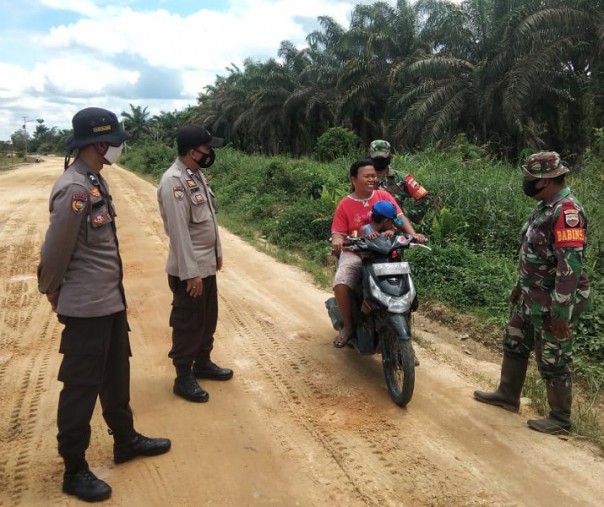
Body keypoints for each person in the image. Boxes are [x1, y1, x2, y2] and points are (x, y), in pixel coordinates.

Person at [37, 107, 171, 503]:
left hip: (109, 302)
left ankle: (125, 440)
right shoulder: (76, 189)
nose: (120, 147)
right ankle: (74, 468)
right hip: (85, 308)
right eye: (116, 141)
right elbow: (55, 250)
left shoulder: (95, 180)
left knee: (116, 375)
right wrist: (51, 290)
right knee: (81, 387)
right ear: (99, 143)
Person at [473, 151, 592, 435]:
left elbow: (569, 266)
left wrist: (561, 312)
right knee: (514, 341)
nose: (525, 183)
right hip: (530, 295)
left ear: (544, 181)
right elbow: (533, 253)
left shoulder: (567, 212)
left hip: (553, 301)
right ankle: (507, 394)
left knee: (553, 356)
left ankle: (560, 419)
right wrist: (519, 285)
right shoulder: (545, 206)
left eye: (529, 179)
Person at [157, 125, 233, 404]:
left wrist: (217, 253)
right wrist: (191, 274)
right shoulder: (173, 181)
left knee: (207, 318)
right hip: (190, 270)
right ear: (193, 152)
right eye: (207, 149)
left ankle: (203, 362)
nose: (211, 153)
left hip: (206, 265)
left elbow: (208, 220)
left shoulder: (195, 176)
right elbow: (179, 232)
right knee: (188, 322)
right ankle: (182, 376)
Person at [331, 159, 425, 348]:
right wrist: (338, 240)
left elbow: (399, 217)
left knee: (404, 286)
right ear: (353, 179)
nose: (372, 179)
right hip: (357, 253)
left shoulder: (384, 196)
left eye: (374, 175)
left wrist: (413, 235)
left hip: (385, 252)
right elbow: (338, 231)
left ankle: (404, 339)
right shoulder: (345, 204)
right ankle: (348, 327)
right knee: (341, 283)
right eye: (367, 176)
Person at [369, 140, 432, 224]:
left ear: (390, 157)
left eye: (382, 158)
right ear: (369, 156)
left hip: (394, 231)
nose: (379, 160)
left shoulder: (402, 178)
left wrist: (408, 220)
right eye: (376, 158)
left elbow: (424, 196)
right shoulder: (361, 177)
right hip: (366, 230)